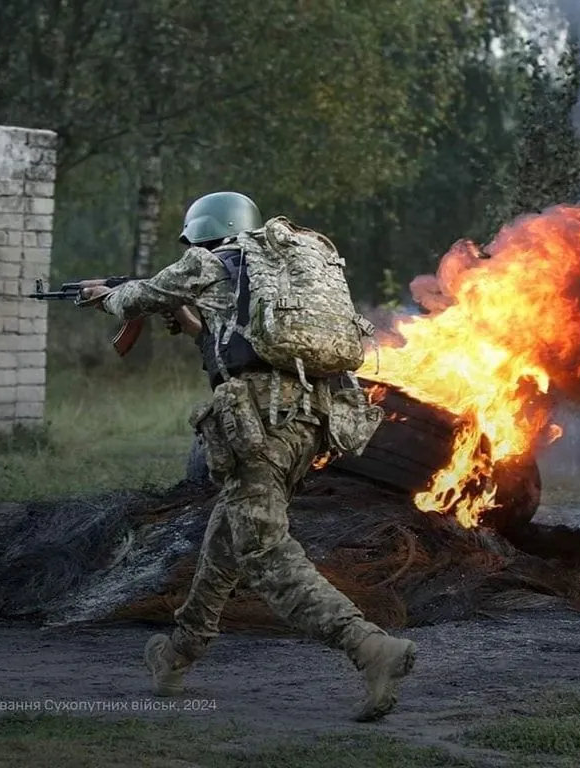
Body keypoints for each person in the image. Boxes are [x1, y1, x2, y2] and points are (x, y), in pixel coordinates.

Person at [80, 191, 416, 722]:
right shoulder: (272, 270)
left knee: (263, 553)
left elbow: (136, 298)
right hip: (311, 423)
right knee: (227, 536)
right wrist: (192, 324)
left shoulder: (207, 262)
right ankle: (178, 655)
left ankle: (369, 648)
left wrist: (107, 295)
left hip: (260, 425)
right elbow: (238, 343)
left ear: (201, 232)